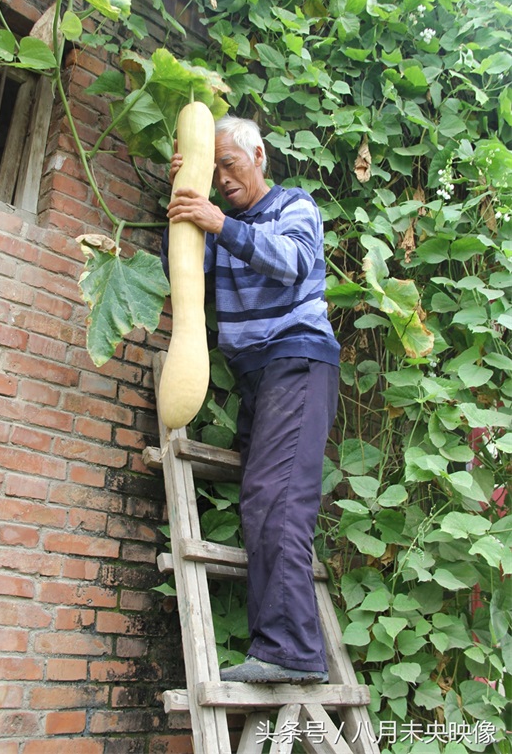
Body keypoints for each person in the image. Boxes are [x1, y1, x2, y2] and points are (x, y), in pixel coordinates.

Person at [163, 115, 340, 684]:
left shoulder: (295, 206)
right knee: (261, 496)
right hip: (256, 379)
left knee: (275, 497)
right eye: (212, 168)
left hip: (298, 360)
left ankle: (293, 651)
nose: (220, 177)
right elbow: (189, 276)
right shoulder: (223, 226)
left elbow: (291, 264)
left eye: (228, 164)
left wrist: (219, 223)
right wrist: (185, 202)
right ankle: (286, 640)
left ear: (258, 155)